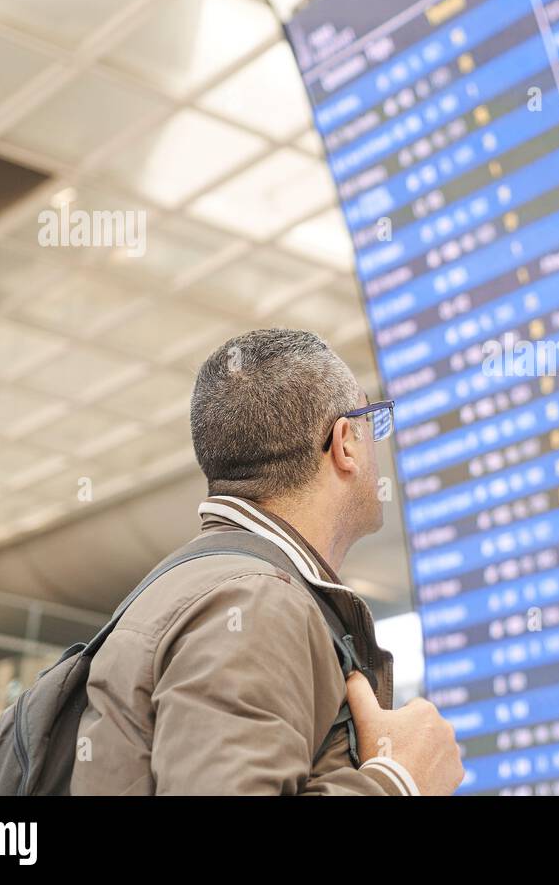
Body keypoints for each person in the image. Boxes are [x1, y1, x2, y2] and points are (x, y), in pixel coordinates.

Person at [71, 328, 464, 795]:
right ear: (345, 444)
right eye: (372, 423)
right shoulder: (255, 602)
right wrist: (399, 783)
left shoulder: (202, 586)